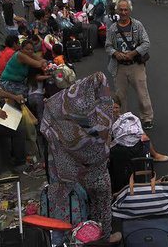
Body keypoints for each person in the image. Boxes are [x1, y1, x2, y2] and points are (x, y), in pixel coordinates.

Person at [41, 72, 122, 244]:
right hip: (98, 176)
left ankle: (83, 238)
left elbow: (51, 121)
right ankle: (104, 239)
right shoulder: (101, 119)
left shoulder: (67, 116)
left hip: (74, 178)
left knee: (81, 208)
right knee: (103, 207)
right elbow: (106, 141)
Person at [105, 0, 154, 130]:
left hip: (135, 65)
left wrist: (133, 53)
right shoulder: (113, 28)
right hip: (119, 66)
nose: (123, 12)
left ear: (130, 10)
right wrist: (115, 53)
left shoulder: (137, 25)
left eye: (126, 9)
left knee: (142, 93)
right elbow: (108, 46)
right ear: (117, 11)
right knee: (120, 95)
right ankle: (123, 118)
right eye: (120, 10)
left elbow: (146, 43)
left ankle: (147, 117)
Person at [109, 94, 168, 193]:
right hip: (117, 144)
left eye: (116, 107)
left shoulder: (125, 117)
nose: (115, 110)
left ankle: (155, 155)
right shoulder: (105, 120)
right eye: (112, 108)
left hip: (129, 142)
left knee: (143, 136)